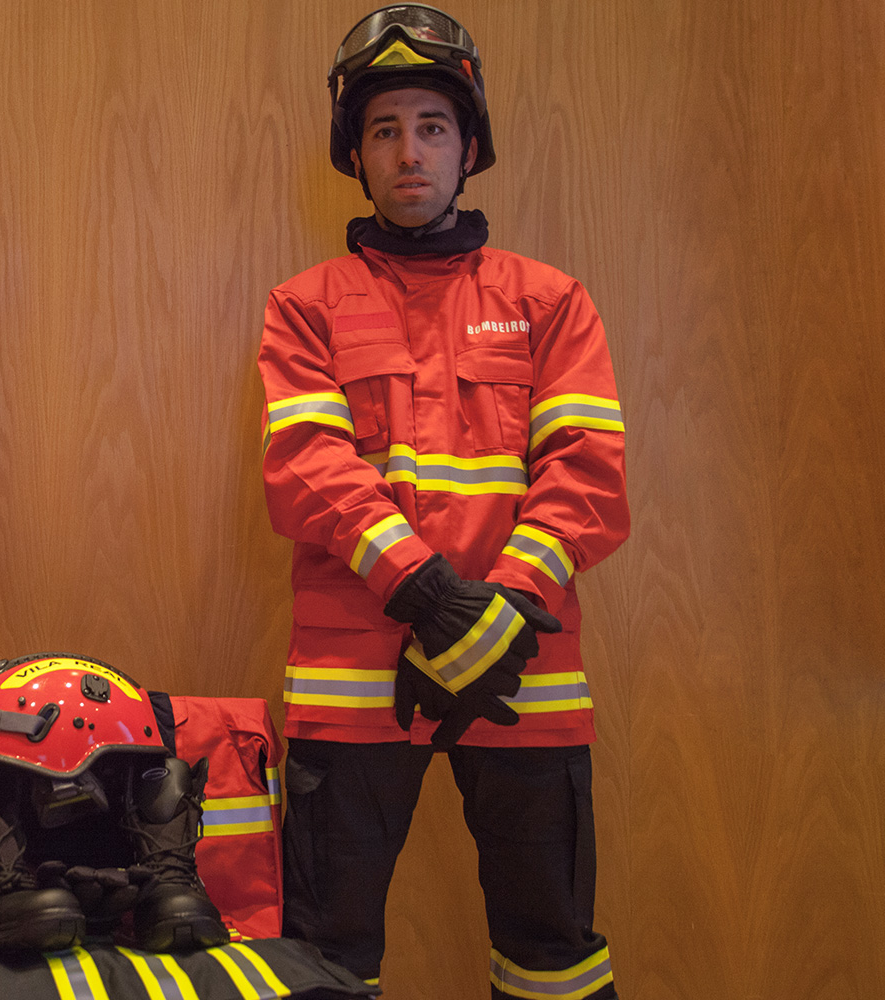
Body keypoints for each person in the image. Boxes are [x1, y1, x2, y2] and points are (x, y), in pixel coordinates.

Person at [256, 6, 628, 999]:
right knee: (323, 955)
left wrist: (500, 606)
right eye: (382, 129)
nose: (407, 151)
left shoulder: (550, 299)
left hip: (524, 674)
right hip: (354, 685)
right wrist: (429, 593)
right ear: (356, 154)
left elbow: (586, 473)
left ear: (469, 146)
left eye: (429, 125)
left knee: (552, 946)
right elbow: (305, 465)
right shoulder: (305, 305)